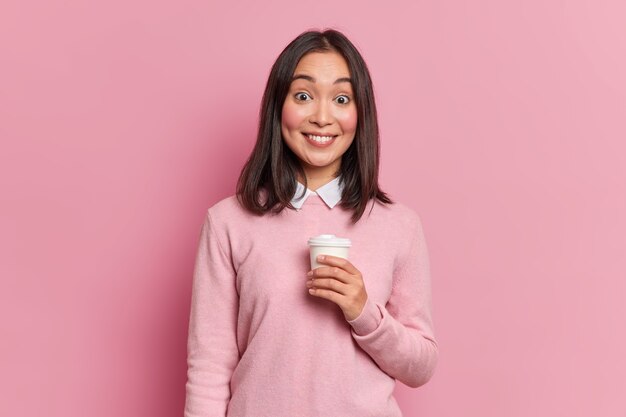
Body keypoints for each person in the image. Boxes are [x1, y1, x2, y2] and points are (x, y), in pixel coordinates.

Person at [184, 28, 438, 417]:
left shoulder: (399, 226)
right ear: (278, 106)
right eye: (303, 96)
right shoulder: (227, 223)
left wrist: (364, 311)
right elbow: (209, 368)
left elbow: (420, 368)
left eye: (340, 98)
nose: (322, 117)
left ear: (360, 113)